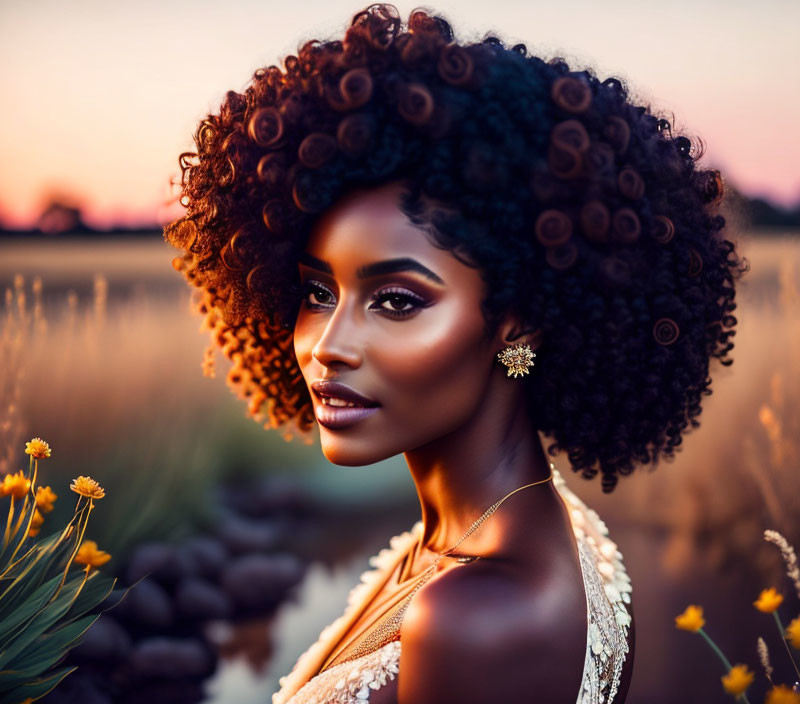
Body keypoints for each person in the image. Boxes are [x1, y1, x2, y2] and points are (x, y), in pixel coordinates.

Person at [163, 5, 748, 703]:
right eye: (318, 292)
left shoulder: (473, 620)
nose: (328, 345)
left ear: (520, 323)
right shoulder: (512, 527)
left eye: (398, 301)